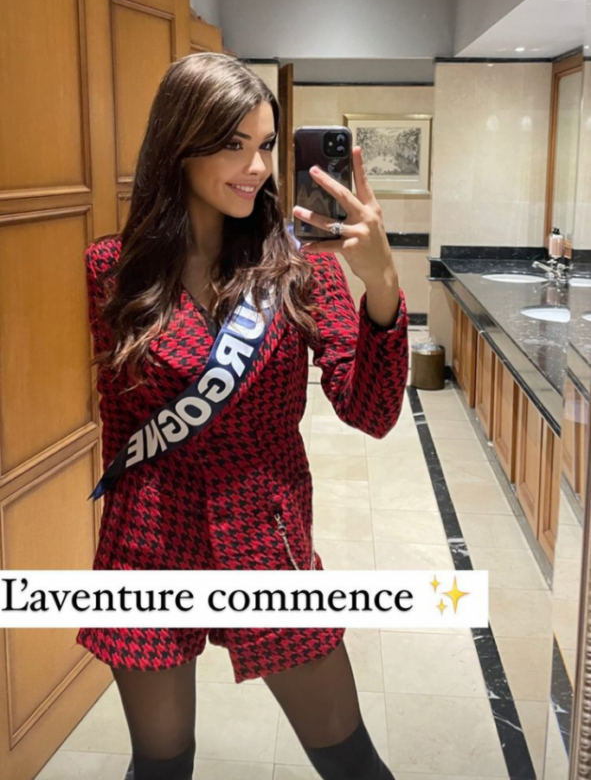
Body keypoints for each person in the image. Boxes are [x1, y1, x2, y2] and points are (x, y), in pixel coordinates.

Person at [76, 52, 409, 779]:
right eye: (233, 144)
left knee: (351, 763)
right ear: (179, 144)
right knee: (160, 767)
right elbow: (118, 422)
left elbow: (372, 411)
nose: (256, 167)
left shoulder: (299, 263)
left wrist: (381, 283)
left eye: (265, 145)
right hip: (148, 539)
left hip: (267, 536)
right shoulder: (114, 267)